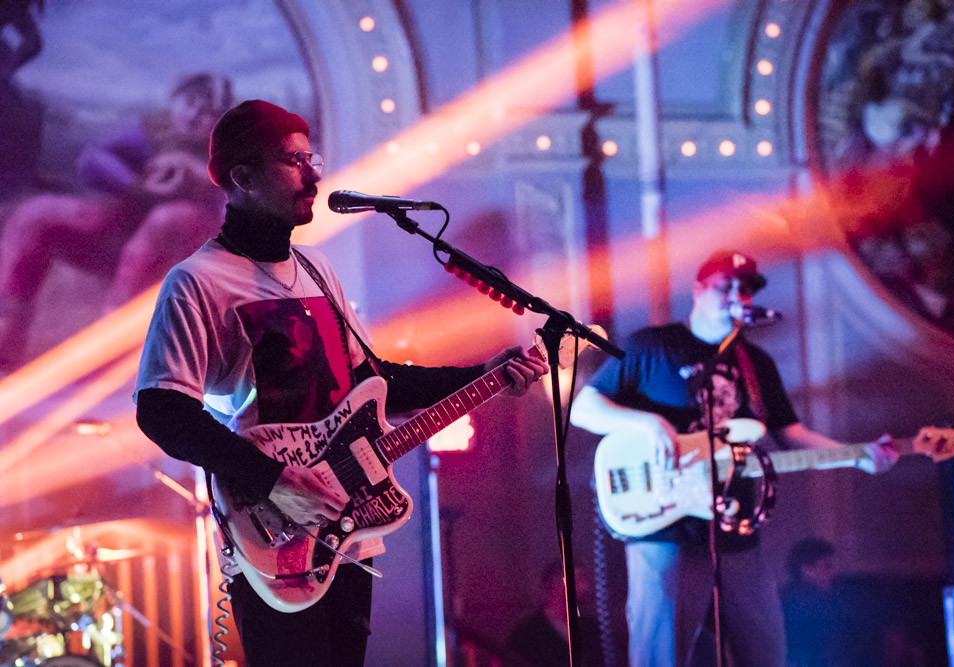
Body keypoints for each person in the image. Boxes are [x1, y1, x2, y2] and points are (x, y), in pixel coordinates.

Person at [133, 99, 547, 666]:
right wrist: (274, 479)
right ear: (243, 178)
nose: (314, 173)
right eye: (293, 160)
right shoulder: (196, 282)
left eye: (312, 157)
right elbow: (162, 411)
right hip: (274, 528)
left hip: (347, 530)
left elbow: (376, 385)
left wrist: (484, 375)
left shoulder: (317, 270)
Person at [570, 250, 896, 667]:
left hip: (736, 532)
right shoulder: (653, 346)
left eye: (744, 289)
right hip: (665, 532)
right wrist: (648, 424)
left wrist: (856, 456)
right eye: (726, 286)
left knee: (769, 654)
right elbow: (584, 409)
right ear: (698, 290)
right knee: (660, 657)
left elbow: (790, 436)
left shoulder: (755, 364)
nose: (736, 296)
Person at [0, 72, 232, 371]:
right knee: (37, 214)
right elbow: (92, 160)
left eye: (209, 112)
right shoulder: (152, 133)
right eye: (191, 103)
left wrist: (203, 176)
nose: (195, 115)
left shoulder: (228, 153)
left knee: (167, 220)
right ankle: (7, 333)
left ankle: (114, 350)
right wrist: (136, 184)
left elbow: (238, 212)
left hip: (188, 265)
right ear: (177, 100)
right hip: (120, 237)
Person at [505, 560, 601, 667]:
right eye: (579, 579)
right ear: (555, 583)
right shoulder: (528, 631)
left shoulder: (591, 627)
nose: (586, 586)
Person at [782, 537, 843, 666]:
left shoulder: (788, 597)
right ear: (806, 569)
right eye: (827, 566)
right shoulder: (809, 603)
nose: (834, 572)